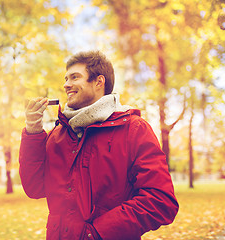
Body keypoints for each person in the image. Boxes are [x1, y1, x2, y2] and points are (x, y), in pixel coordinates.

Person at [19, 50, 178, 240]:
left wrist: (95, 233)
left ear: (98, 82)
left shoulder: (134, 129)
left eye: (74, 77)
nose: (66, 84)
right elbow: (34, 188)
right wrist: (33, 131)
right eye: (66, 78)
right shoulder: (58, 134)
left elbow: (160, 201)